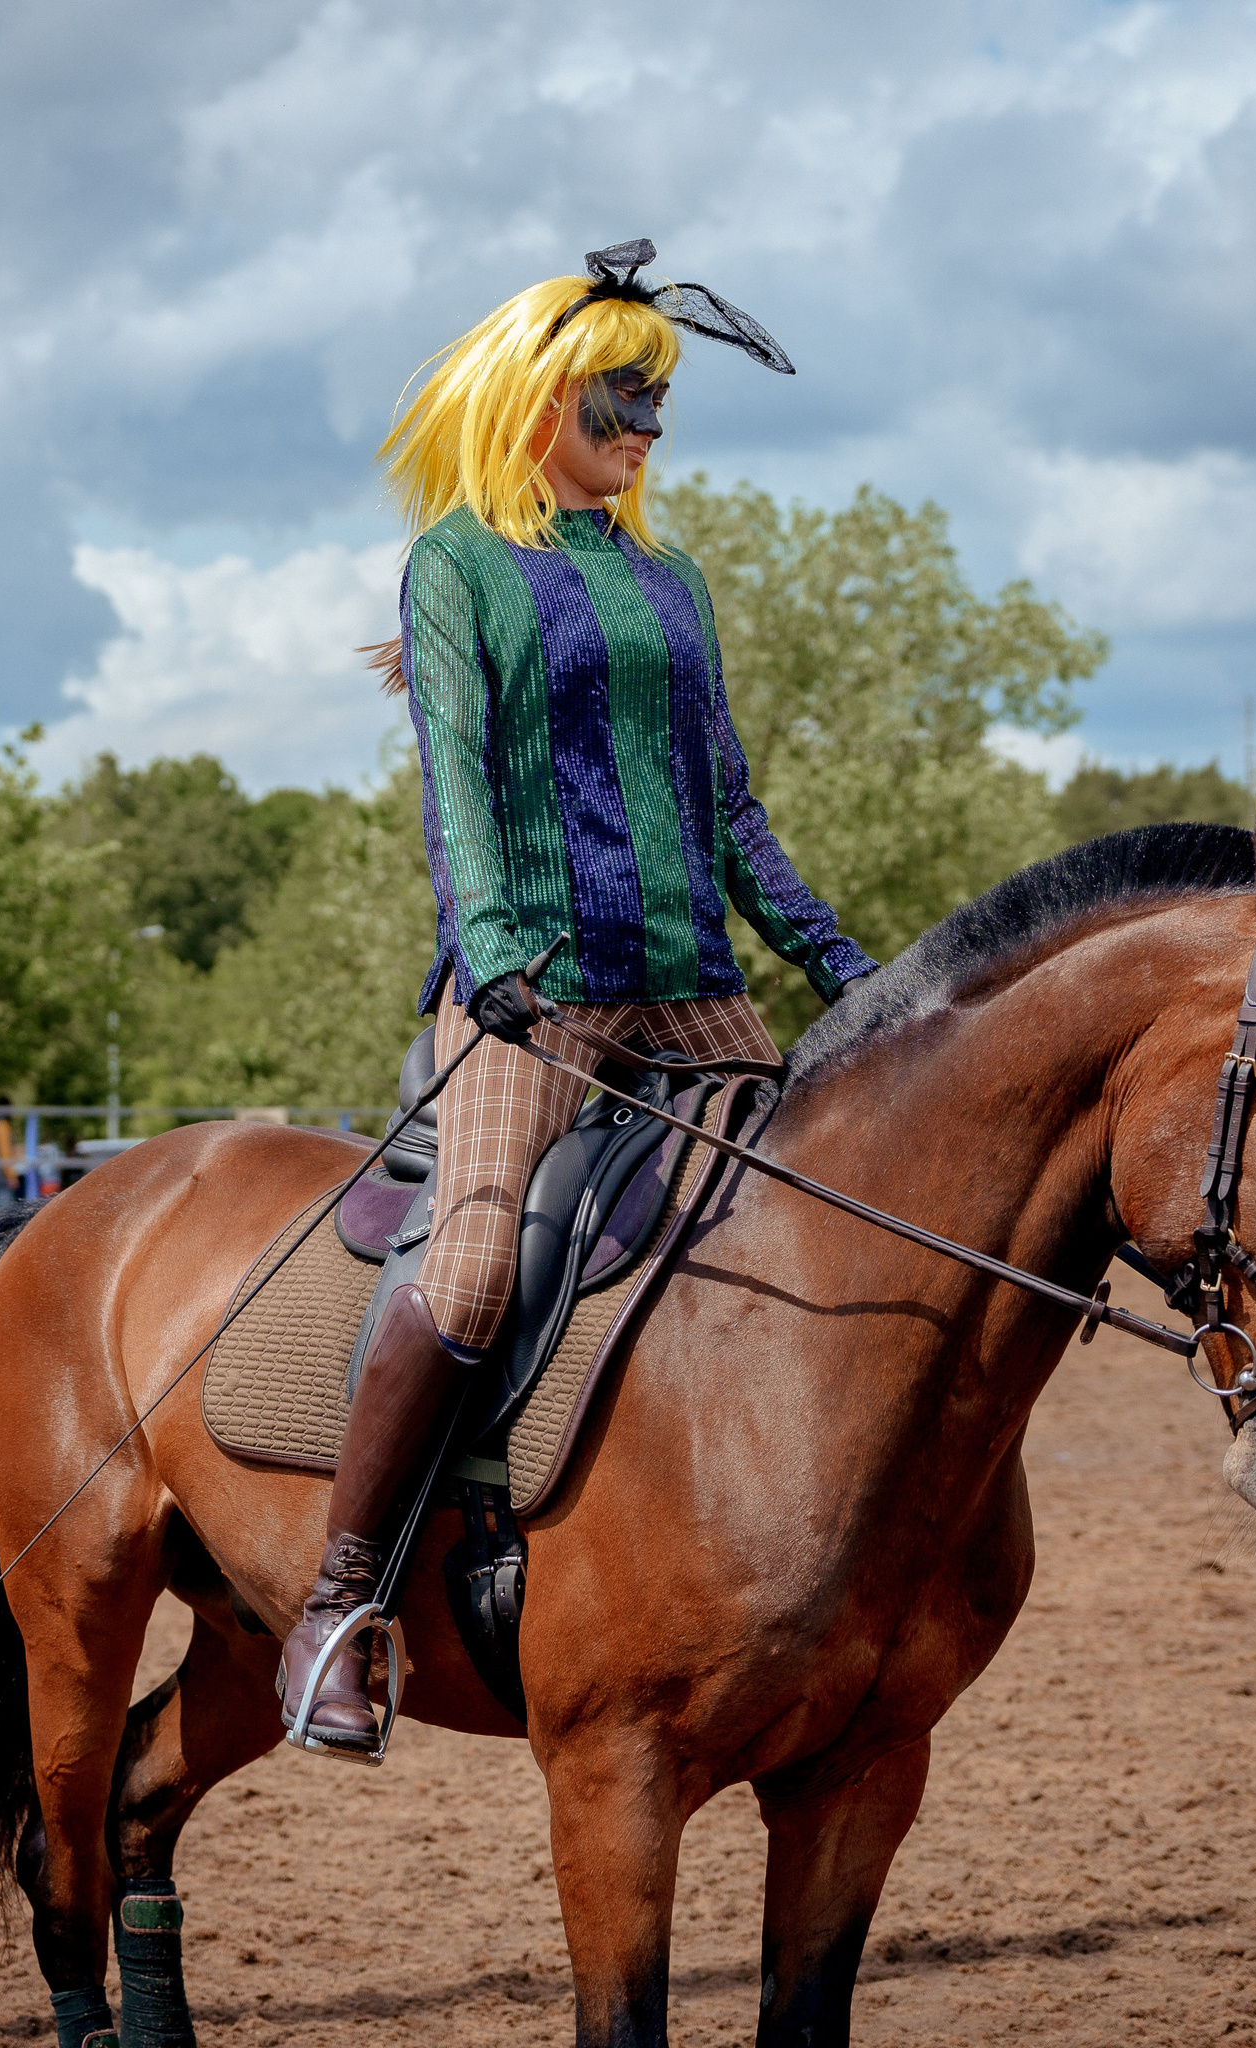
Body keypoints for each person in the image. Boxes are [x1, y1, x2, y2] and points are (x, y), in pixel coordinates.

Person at [278, 241, 879, 1750]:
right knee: (473, 1277)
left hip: (692, 989)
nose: (650, 424)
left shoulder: (673, 581)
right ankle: (338, 1606)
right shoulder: (460, 566)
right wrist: (495, 963)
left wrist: (842, 968)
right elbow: (461, 790)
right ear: (539, 392)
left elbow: (726, 805)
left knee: (838, 1209)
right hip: (533, 991)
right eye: (626, 392)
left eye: (662, 400)